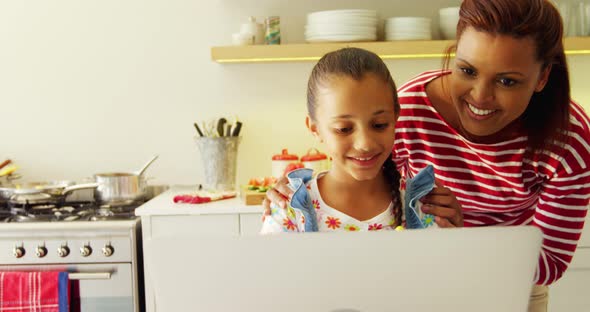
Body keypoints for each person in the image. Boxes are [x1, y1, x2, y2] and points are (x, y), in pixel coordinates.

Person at [264, 0, 590, 310]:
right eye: (467, 70)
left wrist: (459, 243)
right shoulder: (409, 112)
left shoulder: (570, 142)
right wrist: (294, 193)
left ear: (542, 77)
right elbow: (361, 170)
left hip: (512, 281)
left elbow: (550, 261)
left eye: (507, 81)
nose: (481, 97)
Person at [260, 47, 462, 234]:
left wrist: (458, 237)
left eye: (379, 124)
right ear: (315, 129)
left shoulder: (423, 205)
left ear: (395, 117)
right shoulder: (290, 209)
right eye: (344, 129)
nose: (364, 143)